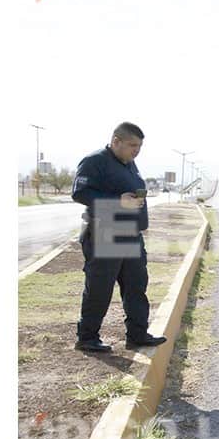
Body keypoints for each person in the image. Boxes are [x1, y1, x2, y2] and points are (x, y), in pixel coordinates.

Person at [70, 122, 167, 352]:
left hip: (130, 234)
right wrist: (118, 201)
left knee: (136, 285)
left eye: (140, 146)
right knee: (100, 288)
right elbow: (79, 193)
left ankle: (137, 334)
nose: (137, 150)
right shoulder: (95, 161)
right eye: (133, 145)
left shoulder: (130, 165)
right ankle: (87, 338)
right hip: (107, 230)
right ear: (116, 141)